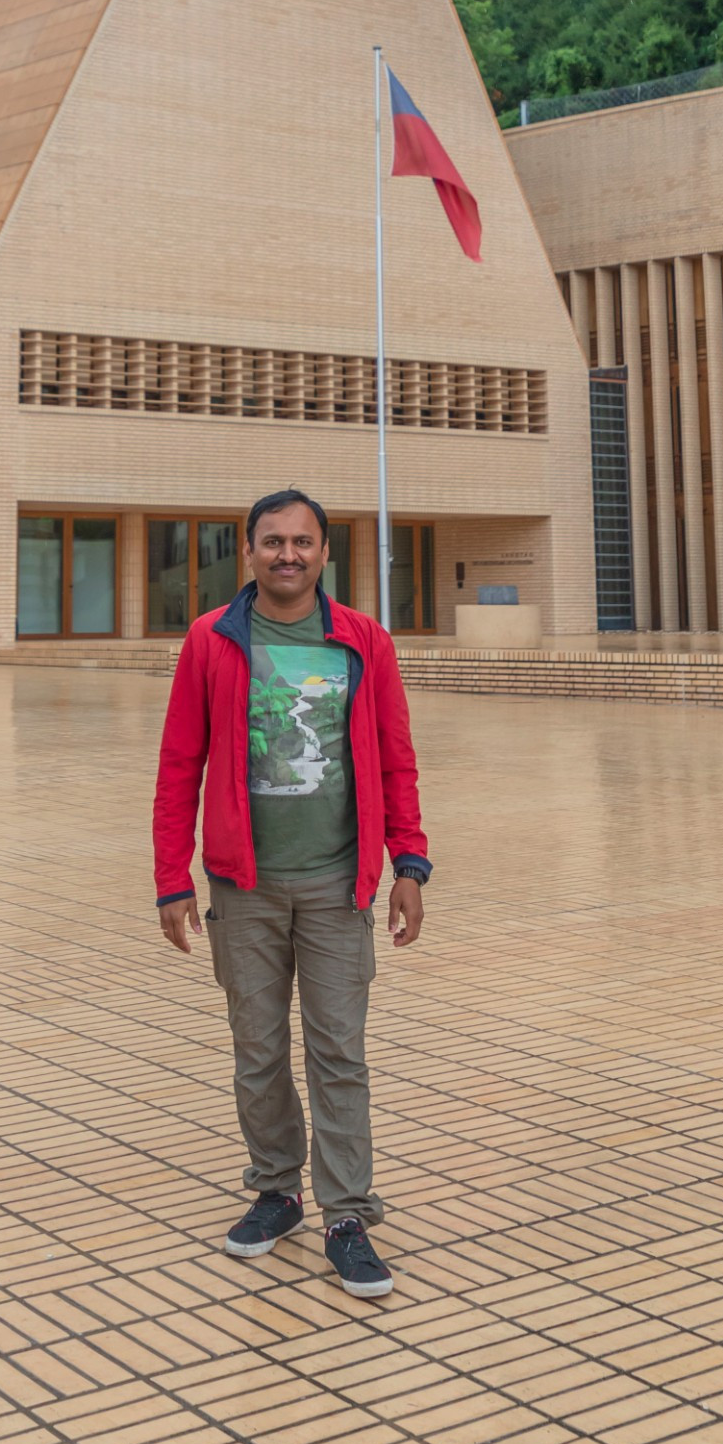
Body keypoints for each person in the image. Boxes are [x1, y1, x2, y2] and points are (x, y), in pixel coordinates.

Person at [152, 486, 431, 1297]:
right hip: (245, 887)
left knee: (339, 1052)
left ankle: (345, 1211)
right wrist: (173, 877)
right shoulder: (212, 641)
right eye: (272, 542)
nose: (287, 555)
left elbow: (395, 758)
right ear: (248, 552)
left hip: (338, 884)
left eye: (302, 543)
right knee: (259, 1050)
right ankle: (277, 1189)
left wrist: (408, 861)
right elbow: (179, 766)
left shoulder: (362, 642)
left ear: (323, 553)